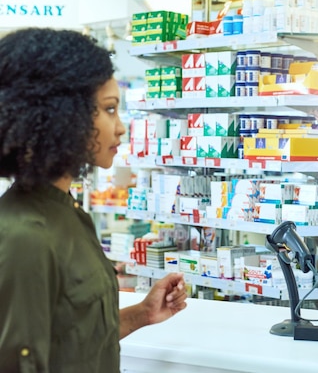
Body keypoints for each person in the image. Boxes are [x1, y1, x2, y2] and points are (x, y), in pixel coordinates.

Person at [0, 28, 188, 372]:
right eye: (109, 109)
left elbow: (71, 338)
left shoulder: (68, 212)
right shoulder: (25, 236)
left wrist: (143, 314)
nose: (120, 128)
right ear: (61, 115)